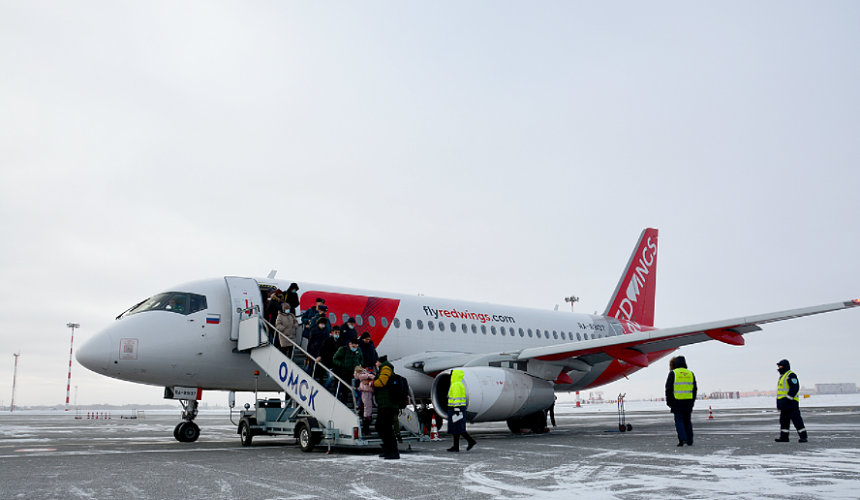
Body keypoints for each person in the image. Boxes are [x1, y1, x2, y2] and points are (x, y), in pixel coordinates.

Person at [665, 355, 697, 446]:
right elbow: (694, 389)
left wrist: (669, 402)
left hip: (677, 401)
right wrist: (692, 401)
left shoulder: (673, 373)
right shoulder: (690, 373)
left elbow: (669, 389)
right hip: (688, 401)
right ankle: (690, 440)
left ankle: (682, 439)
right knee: (687, 420)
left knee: (679, 420)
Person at [373, 355, 400, 459]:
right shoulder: (384, 370)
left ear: (380, 362)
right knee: (380, 426)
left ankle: (394, 451)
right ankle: (388, 449)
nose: (376, 364)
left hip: (388, 404)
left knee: (386, 427)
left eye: (376, 362)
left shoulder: (386, 368)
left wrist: (371, 383)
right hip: (384, 403)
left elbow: (381, 382)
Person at [775, 359, 808, 443]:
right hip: (784, 404)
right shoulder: (782, 376)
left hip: (791, 403)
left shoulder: (791, 375)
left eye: (780, 366)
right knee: (784, 421)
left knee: (796, 420)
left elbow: (794, 388)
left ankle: (803, 436)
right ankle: (784, 437)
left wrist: (788, 398)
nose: (779, 368)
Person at [446, 369, 477, 452]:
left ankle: (470, 441)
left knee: (458, 427)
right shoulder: (459, 383)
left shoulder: (455, 385)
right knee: (456, 428)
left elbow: (457, 397)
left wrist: (456, 408)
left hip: (456, 408)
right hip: (458, 407)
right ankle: (456, 446)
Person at [332, 338, 364, 403]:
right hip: (344, 373)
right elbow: (335, 359)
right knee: (344, 391)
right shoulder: (343, 350)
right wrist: (342, 365)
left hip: (355, 374)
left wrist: (360, 365)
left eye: (356, 347)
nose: (354, 348)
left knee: (357, 390)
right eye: (353, 346)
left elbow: (362, 359)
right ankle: (343, 404)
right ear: (350, 344)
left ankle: (357, 405)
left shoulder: (359, 350)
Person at [355, 366, 375, 434]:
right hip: (366, 392)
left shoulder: (364, 374)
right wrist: (369, 376)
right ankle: (366, 428)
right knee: (367, 410)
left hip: (367, 392)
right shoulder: (362, 374)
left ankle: (366, 427)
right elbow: (372, 377)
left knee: (366, 409)